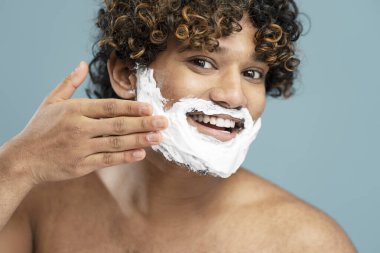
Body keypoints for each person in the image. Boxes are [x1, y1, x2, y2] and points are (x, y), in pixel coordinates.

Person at [0, 0, 357, 252]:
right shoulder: (38, 201)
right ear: (127, 75)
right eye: (202, 62)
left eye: (252, 73)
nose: (234, 96)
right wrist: (16, 165)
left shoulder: (306, 242)